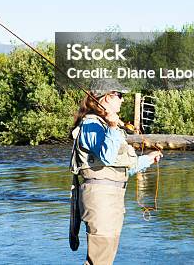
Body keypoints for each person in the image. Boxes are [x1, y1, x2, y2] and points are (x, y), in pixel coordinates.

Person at [69, 83, 163, 265]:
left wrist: (148, 160)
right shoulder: (91, 125)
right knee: (100, 260)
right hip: (100, 199)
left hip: (112, 199)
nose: (123, 99)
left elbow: (122, 166)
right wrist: (112, 127)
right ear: (106, 98)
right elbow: (107, 157)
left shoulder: (105, 126)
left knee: (105, 258)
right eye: (119, 94)